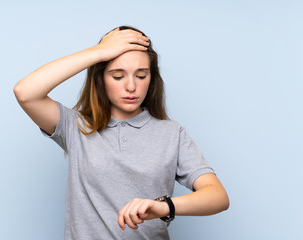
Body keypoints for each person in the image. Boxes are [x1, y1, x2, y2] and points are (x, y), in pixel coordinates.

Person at [13, 26, 229, 240]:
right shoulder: (76, 126)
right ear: (101, 79)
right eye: (118, 76)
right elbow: (25, 92)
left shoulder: (172, 133)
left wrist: (164, 206)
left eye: (142, 75)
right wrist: (99, 52)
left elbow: (218, 196)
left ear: (151, 79)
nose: (131, 86)